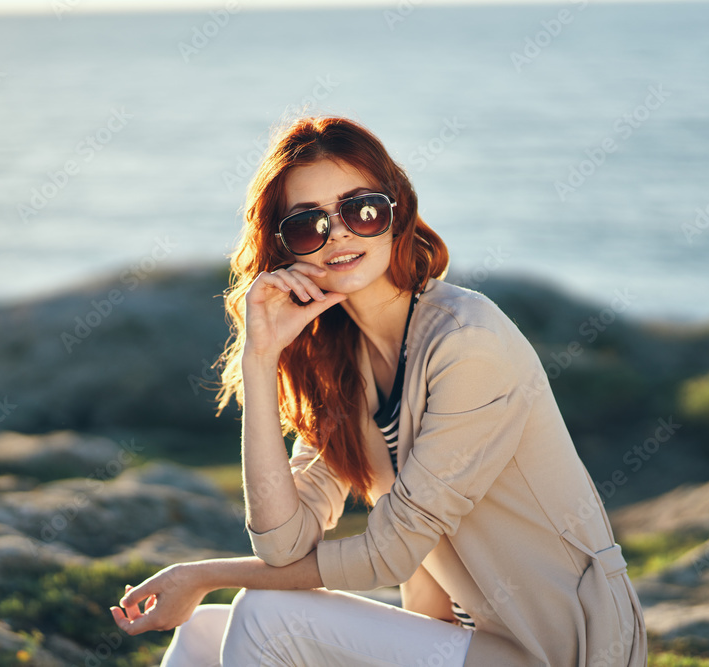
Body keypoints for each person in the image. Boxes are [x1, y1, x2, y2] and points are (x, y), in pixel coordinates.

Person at [110, 116, 647, 666]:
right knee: (205, 631)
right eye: (307, 225)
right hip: (468, 643)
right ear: (285, 250)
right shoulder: (342, 363)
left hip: (560, 650)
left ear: (397, 213)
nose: (338, 233)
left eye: (361, 209)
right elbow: (282, 545)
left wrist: (203, 574)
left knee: (266, 615)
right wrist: (260, 357)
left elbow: (388, 555)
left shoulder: (468, 344)